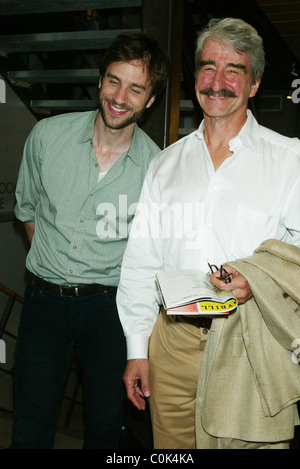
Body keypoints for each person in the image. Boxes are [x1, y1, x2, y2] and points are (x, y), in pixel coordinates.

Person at [117, 18, 300, 449]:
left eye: (233, 70)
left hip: (247, 342)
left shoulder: (289, 159)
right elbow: (142, 260)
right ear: (195, 76)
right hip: (173, 344)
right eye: (207, 67)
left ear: (253, 85)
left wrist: (256, 278)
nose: (218, 82)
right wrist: (136, 349)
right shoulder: (166, 163)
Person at [11, 31, 169, 449]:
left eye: (136, 88)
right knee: (30, 428)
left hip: (108, 311)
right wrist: (55, 267)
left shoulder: (157, 168)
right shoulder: (46, 136)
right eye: (114, 80)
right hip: (43, 305)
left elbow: (153, 253)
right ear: (100, 81)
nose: (120, 96)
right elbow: (27, 212)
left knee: (103, 430)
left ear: (150, 100)